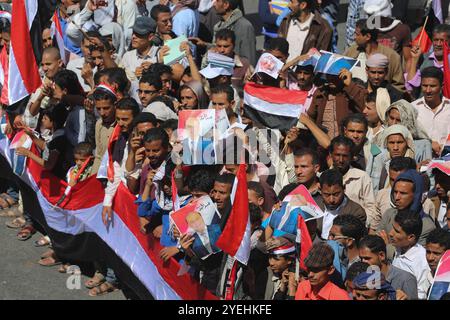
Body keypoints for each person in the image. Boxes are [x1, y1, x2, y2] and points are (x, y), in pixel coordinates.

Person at [378, 169, 436, 247]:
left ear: (416, 195)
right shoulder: (389, 214)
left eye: (403, 193)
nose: (397, 197)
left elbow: (413, 255)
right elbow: (375, 242)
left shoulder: (426, 226)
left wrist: (387, 246)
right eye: (395, 192)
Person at [344, 19, 404, 92]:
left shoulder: (391, 56)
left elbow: (399, 86)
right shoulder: (352, 51)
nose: (354, 37)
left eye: (357, 34)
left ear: (367, 37)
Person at [328, 136, 376, 227]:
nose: (341, 160)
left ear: (352, 156)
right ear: (330, 154)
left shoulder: (362, 177)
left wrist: (361, 226)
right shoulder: (323, 177)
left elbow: (371, 207)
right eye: (337, 155)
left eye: (345, 156)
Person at [307, 69, 367, 140]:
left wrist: (350, 85)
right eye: (328, 75)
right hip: (324, 143)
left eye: (335, 76)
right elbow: (311, 116)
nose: (331, 79)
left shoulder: (352, 90)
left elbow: (364, 107)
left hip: (348, 143)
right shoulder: (321, 92)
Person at [358, 234, 419, 300]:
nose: (363, 262)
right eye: (361, 258)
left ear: (382, 256)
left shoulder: (406, 280)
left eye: (367, 258)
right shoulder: (362, 276)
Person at [390, 210, 432, 299]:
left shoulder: (422, 261)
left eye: (397, 231)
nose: (390, 233)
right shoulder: (398, 249)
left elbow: (422, 294)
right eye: (392, 228)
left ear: (410, 237)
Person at [316, 169, 367, 240]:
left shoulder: (356, 212)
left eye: (336, 194)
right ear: (320, 189)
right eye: (326, 195)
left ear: (344, 188)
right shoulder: (314, 206)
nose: (331, 200)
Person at [412, 67, 450, 157]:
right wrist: (428, 143)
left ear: (442, 86)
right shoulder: (413, 108)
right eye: (424, 86)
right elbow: (407, 136)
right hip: (420, 162)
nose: (428, 90)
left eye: (432, 86)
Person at [406, 24, 450, 98]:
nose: (438, 44)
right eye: (436, 40)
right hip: (424, 106)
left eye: (442, 41)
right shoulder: (423, 58)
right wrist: (414, 59)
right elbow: (411, 85)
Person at [120, 17, 159, 82]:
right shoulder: (127, 57)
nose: (133, 37)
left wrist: (154, 69)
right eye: (133, 32)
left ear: (150, 37)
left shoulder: (160, 54)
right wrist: (133, 77)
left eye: (139, 34)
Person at [91, 84, 117, 174]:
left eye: (106, 108)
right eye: (98, 109)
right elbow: (99, 156)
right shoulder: (99, 124)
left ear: (115, 105)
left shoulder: (121, 125)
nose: (102, 113)